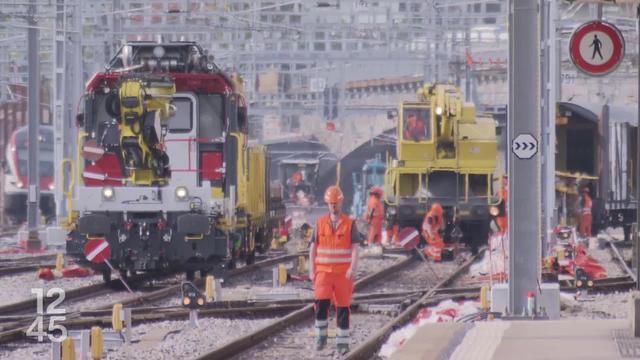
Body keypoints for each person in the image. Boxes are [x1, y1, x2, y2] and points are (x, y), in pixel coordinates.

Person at [309, 185, 360, 354]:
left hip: (343, 274)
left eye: (336, 203)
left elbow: (355, 248)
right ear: (327, 203)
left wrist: (353, 267)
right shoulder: (320, 223)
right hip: (323, 272)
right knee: (321, 304)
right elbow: (313, 248)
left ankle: (342, 344)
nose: (333, 206)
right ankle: (321, 337)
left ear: (341, 202)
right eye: (330, 203)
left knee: (343, 308)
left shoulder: (350, 224)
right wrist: (311, 270)